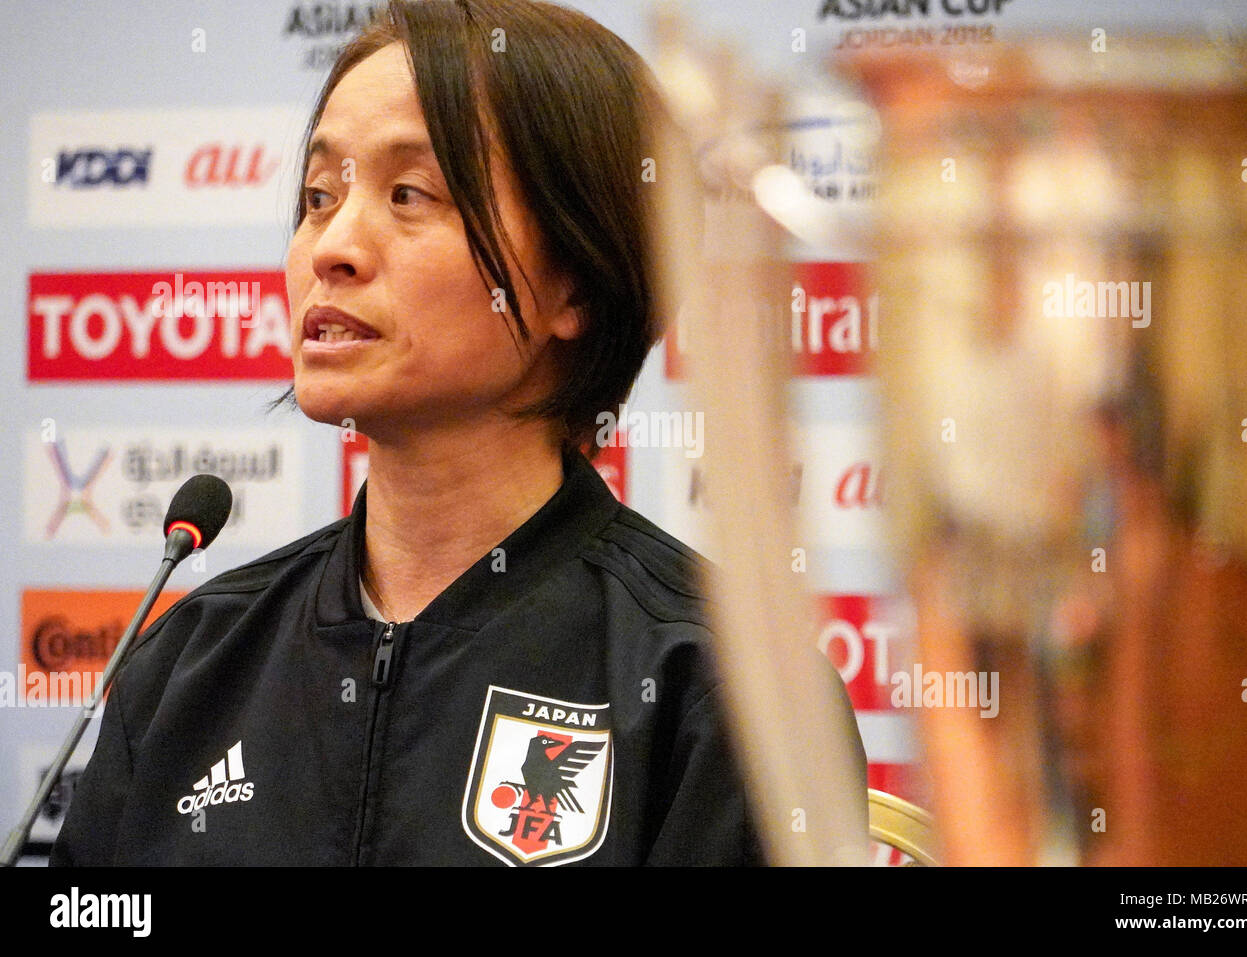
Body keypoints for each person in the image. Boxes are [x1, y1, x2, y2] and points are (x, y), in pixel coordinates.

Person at [51, 0, 787, 867]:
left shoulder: (722, 684)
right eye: (319, 196)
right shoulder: (191, 660)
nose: (333, 246)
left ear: (575, 286)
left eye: (410, 194)